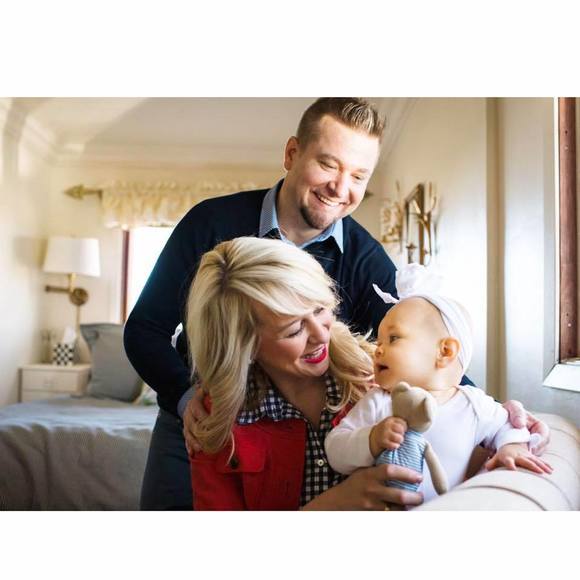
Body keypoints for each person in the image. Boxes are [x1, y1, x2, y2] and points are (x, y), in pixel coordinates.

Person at [124, 97, 549, 510]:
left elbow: (422, 344)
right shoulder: (211, 223)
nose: (341, 189)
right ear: (292, 154)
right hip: (200, 419)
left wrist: (496, 412)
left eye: (359, 176)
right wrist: (186, 398)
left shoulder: (365, 259)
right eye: (328, 164)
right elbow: (145, 330)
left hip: (299, 432)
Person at [185, 236, 424, 510]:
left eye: (320, 309)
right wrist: (327, 507)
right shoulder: (214, 421)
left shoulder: (384, 372)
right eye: (294, 330)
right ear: (244, 347)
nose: (322, 335)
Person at [325, 264, 552, 504]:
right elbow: (335, 450)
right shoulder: (378, 401)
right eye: (379, 341)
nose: (378, 349)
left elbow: (508, 426)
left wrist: (512, 446)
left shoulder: (473, 404)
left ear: (445, 351)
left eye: (393, 338)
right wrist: (370, 440)